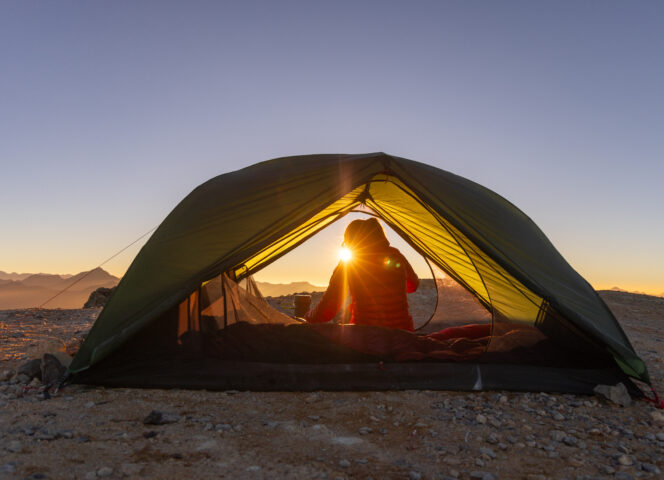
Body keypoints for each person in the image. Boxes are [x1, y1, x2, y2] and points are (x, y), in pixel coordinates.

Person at [305, 218, 419, 331]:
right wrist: (390, 287)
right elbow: (413, 285)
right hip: (403, 333)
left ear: (350, 241)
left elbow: (329, 307)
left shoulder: (348, 264)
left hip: (366, 335)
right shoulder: (396, 256)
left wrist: (308, 317)